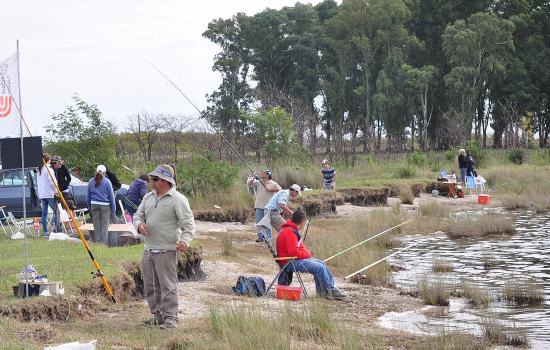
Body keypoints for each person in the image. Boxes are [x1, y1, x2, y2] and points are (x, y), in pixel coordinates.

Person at [134, 164, 195, 329]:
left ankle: (171, 318)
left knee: (168, 286)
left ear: (167, 181)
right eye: (152, 178)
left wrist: (184, 241)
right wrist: (139, 224)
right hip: (148, 249)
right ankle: (158, 316)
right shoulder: (148, 197)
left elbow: (189, 225)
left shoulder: (178, 199)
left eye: (156, 179)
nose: (152, 181)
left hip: (167, 250)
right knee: (150, 285)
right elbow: (137, 215)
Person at [276, 209, 345, 300]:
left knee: (321, 263)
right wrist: (308, 254)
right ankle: (327, 292)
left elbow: (299, 247)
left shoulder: (289, 229)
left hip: (291, 259)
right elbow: (293, 252)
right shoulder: (290, 232)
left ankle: (326, 291)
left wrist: (306, 252)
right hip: (289, 262)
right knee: (319, 267)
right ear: (302, 221)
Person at [247, 169, 281, 243]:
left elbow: (280, 190)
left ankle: (268, 237)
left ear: (268, 175)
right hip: (259, 205)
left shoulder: (273, 183)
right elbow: (249, 184)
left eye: (264, 173)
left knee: (267, 222)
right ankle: (260, 237)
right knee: (258, 222)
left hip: (268, 207)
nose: (262, 174)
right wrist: (253, 177)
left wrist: (270, 189)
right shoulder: (258, 182)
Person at [87, 165, 116, 244]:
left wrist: (89, 208)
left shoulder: (90, 181)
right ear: (105, 173)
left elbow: (88, 197)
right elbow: (111, 197)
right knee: (104, 225)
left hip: (94, 205)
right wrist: (113, 209)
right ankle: (103, 243)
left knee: (96, 225)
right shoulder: (107, 182)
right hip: (105, 206)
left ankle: (97, 242)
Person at [37, 153, 59, 236]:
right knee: (57, 212)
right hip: (49, 194)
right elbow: (52, 182)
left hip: (42, 194)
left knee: (44, 214)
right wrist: (56, 190)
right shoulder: (49, 169)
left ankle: (46, 232)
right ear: (48, 160)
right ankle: (57, 229)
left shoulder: (39, 169)